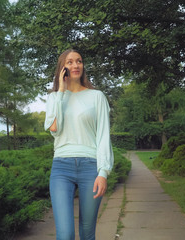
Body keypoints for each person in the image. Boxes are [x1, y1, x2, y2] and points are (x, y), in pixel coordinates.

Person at [44, 49, 114, 240]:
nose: (76, 65)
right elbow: (54, 128)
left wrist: (103, 172)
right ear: (62, 69)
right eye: (70, 62)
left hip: (90, 168)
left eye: (79, 61)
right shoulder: (53, 98)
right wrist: (60, 92)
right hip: (61, 168)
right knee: (65, 234)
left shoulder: (97, 96)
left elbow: (103, 136)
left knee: (87, 232)